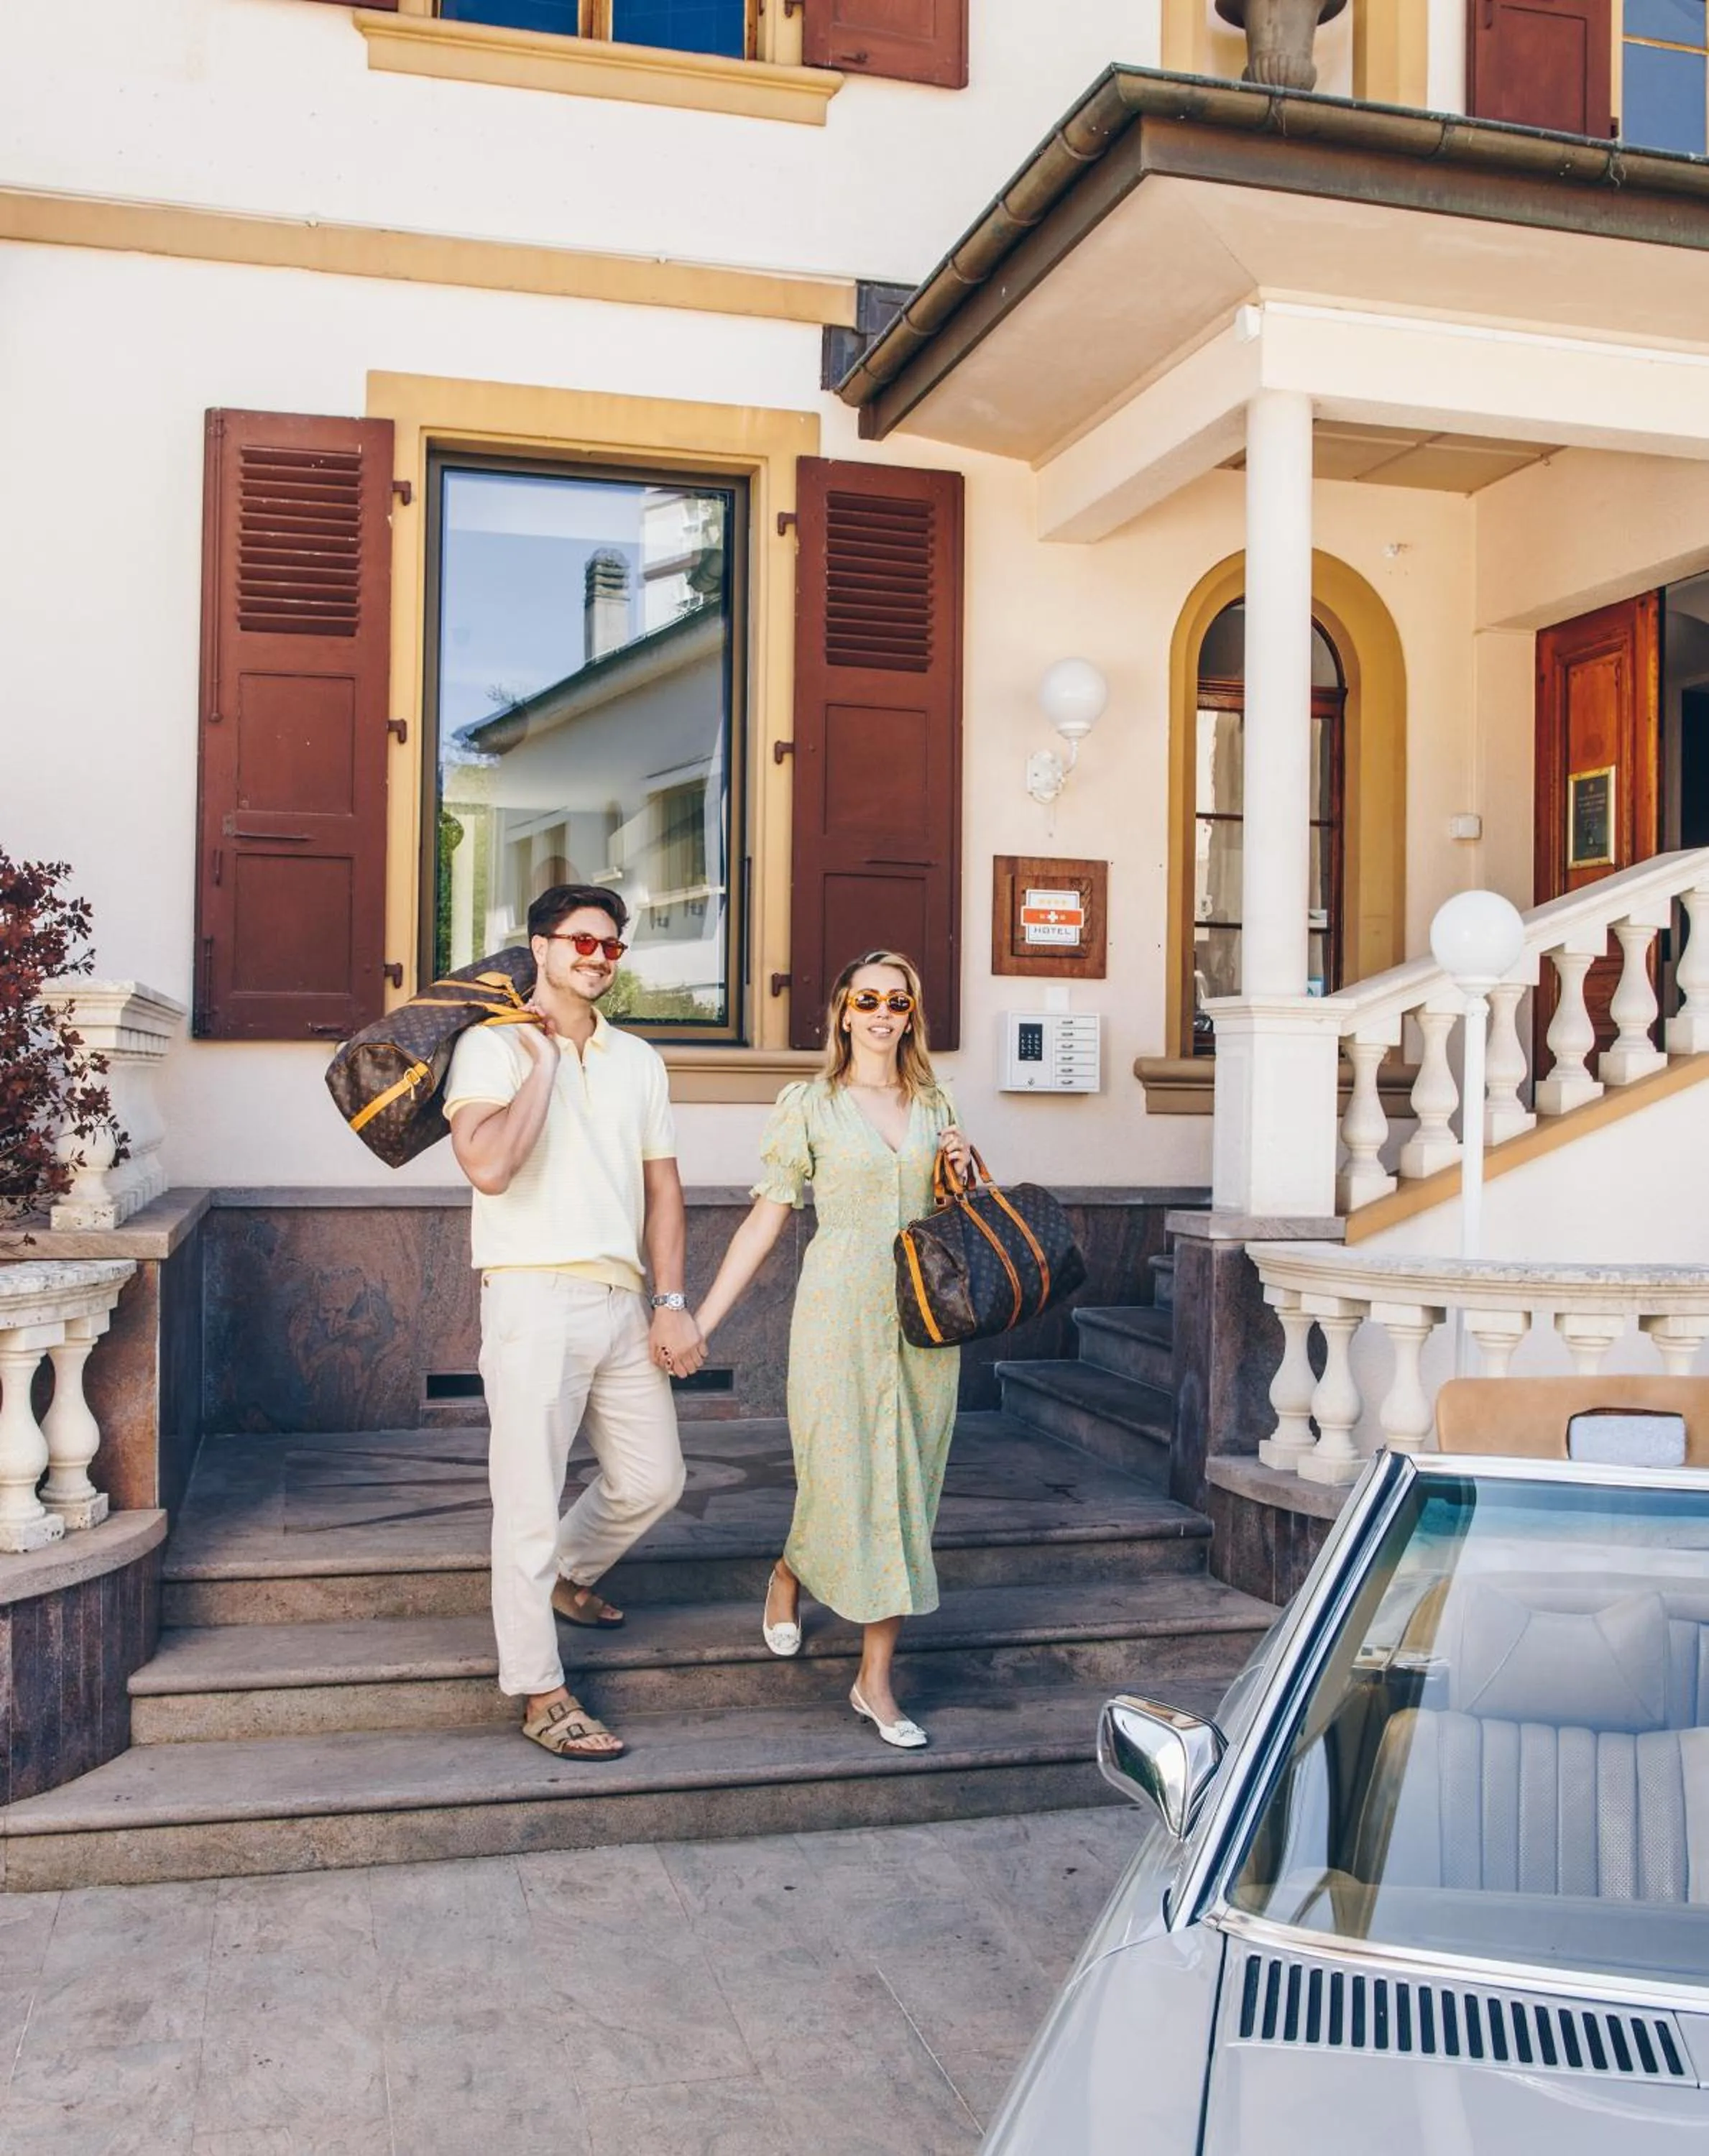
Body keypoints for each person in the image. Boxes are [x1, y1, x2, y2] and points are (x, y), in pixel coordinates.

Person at [444, 884, 704, 1759]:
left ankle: (566, 1573)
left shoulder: (638, 1060)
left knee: (653, 1478)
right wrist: (544, 1062)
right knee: (526, 1503)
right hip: (532, 1296)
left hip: (620, 1298)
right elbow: (487, 1166)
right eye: (581, 942)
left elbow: (663, 1189)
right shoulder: (489, 1047)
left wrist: (670, 1303)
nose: (597, 958)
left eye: (610, 947)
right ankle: (539, 1691)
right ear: (540, 948)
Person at [692, 951, 972, 1749]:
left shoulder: (935, 1101)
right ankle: (789, 1569)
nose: (882, 1013)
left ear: (911, 1017)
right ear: (844, 1012)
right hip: (837, 1310)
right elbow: (765, 1220)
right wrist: (703, 1321)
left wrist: (957, 1173)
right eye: (867, 999)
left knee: (907, 1487)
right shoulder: (808, 1104)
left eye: (897, 1002)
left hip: (922, 1317)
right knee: (835, 1473)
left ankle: (873, 1679)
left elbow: (958, 1213)